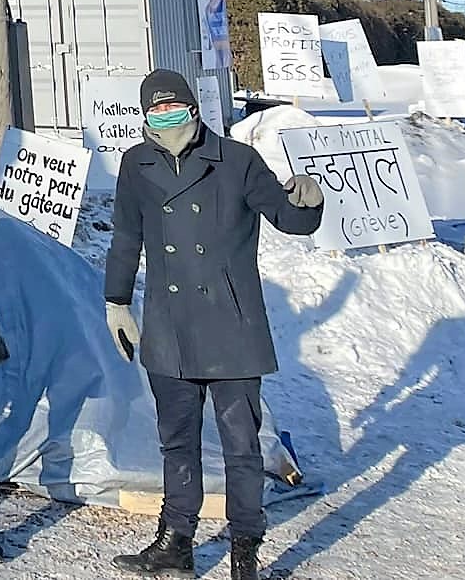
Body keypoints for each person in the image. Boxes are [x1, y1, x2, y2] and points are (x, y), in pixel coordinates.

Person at [106, 70, 324, 580]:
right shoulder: (136, 165)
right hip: (169, 325)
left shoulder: (237, 161)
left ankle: (244, 554)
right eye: (155, 111)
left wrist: (307, 200)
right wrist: (116, 302)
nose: (166, 118)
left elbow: (287, 219)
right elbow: (124, 237)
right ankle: (174, 544)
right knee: (176, 442)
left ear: (193, 108)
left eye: (174, 107)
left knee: (241, 447)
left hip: (232, 325)